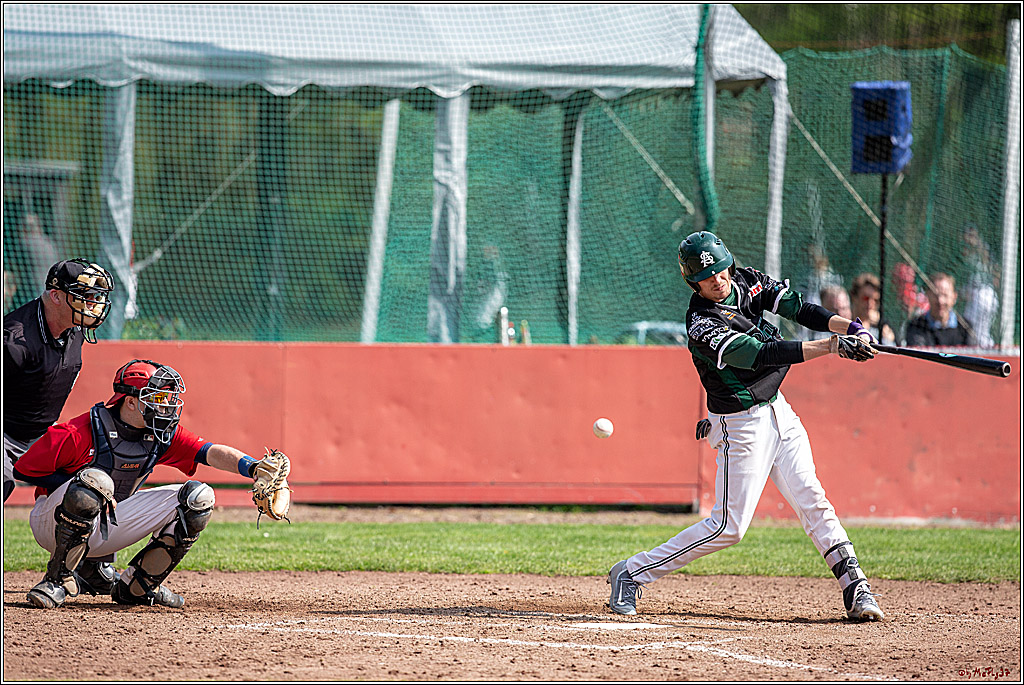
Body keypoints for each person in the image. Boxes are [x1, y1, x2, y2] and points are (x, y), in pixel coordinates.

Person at [607, 231, 884, 622]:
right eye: (707, 277)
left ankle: (856, 587)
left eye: (720, 270)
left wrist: (847, 327)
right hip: (741, 426)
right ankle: (631, 574)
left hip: (778, 412)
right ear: (692, 282)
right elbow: (758, 355)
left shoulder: (745, 280)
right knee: (728, 527)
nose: (717, 280)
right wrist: (831, 347)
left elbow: (798, 308)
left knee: (812, 498)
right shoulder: (702, 324)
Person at [13, 359, 282, 609]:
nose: (165, 406)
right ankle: (57, 580)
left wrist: (254, 467)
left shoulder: (160, 434)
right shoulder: (81, 431)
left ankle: (139, 586)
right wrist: (82, 487)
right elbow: (24, 469)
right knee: (95, 482)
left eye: (168, 399)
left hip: (107, 526)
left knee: (198, 497)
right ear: (130, 402)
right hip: (53, 524)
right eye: (157, 399)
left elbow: (208, 452)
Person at [4, 259, 114, 502]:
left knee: (91, 487)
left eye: (96, 296)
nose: (93, 304)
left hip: (42, 437)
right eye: (85, 295)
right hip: (6, 434)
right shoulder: (14, 341)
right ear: (55, 296)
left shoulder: (74, 330)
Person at [904, 273, 977, 348]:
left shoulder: (965, 328)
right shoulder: (916, 325)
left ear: (954, 297)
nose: (940, 301)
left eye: (945, 295)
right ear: (928, 295)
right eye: (935, 295)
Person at [849, 273, 896, 345]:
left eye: (875, 300)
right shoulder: (844, 324)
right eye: (866, 298)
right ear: (854, 297)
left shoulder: (881, 329)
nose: (870, 304)